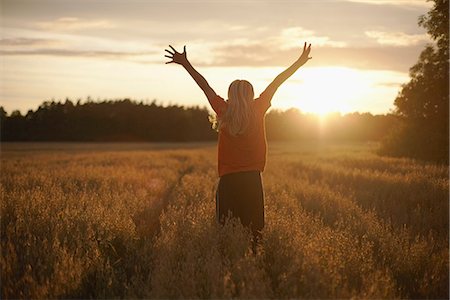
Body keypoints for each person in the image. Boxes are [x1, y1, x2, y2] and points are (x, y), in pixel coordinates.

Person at [164, 42, 312, 245]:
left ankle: (227, 270)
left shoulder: (223, 111)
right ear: (251, 95)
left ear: (230, 95)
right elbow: (277, 82)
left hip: (228, 182)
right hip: (252, 181)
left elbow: (204, 85)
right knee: (255, 236)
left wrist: (185, 63)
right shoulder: (258, 109)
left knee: (226, 235)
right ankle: (253, 268)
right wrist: (299, 62)